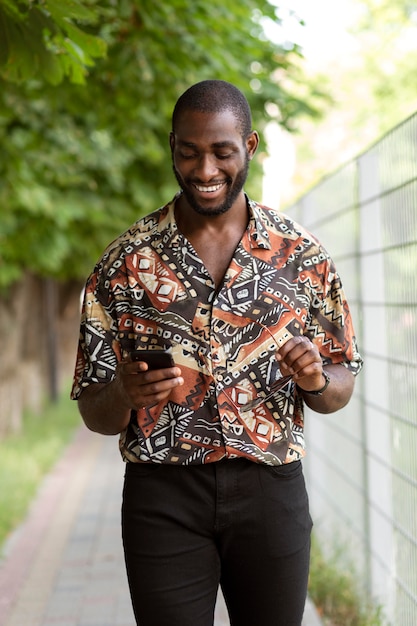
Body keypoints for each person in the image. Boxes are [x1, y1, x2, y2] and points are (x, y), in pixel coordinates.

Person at [71, 79, 363, 626]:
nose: (205, 170)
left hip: (270, 494)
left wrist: (316, 381)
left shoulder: (301, 257)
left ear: (249, 146)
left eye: (222, 152)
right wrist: (124, 393)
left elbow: (340, 383)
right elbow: (94, 412)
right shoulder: (124, 263)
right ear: (173, 146)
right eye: (189, 151)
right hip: (163, 499)